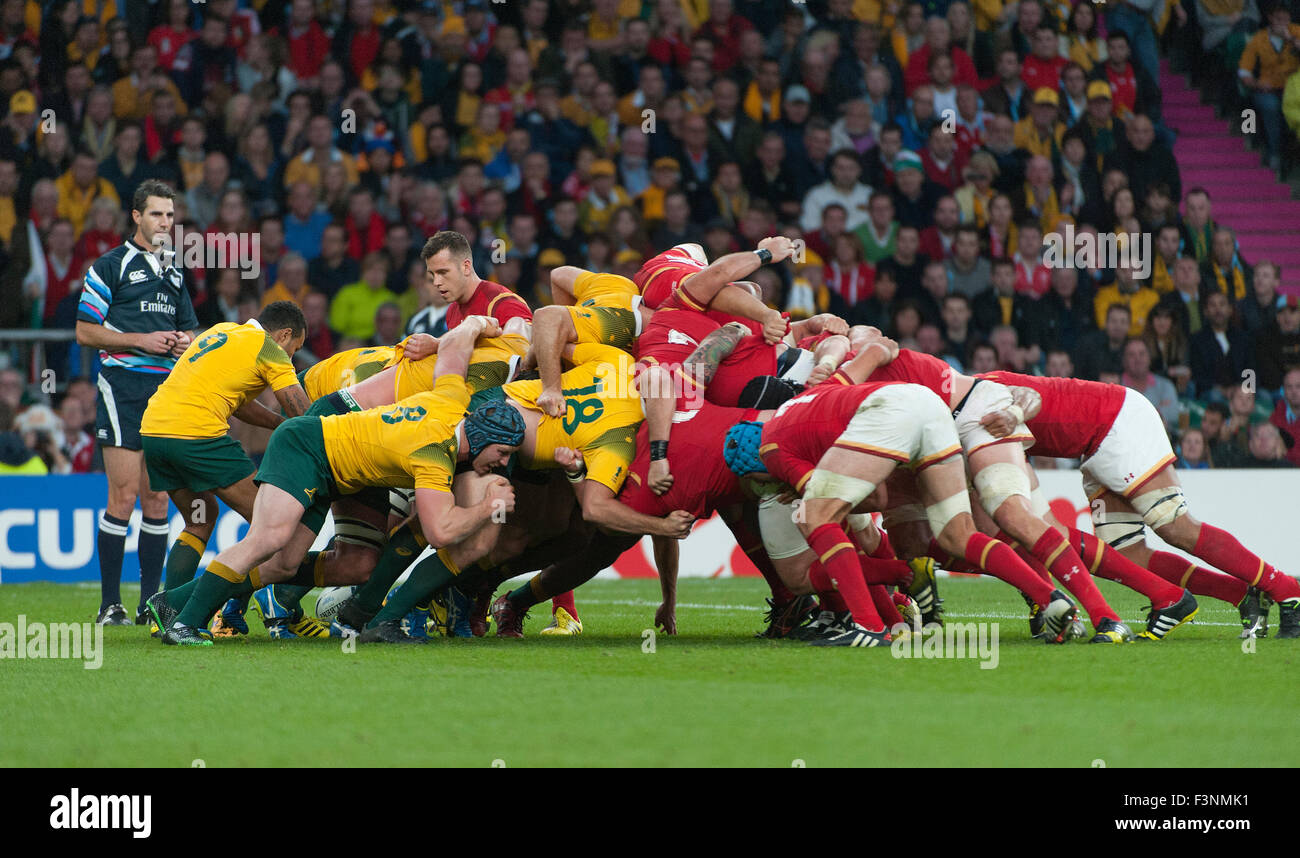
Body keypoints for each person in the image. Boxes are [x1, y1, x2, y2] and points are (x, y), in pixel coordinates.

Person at [982, 371, 1300, 638]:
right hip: (1092, 444)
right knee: (1124, 555)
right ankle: (1240, 594)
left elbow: (1025, 398)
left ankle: (1287, 590)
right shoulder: (961, 402)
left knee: (1177, 527)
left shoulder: (978, 393)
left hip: (1117, 422)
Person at [140, 303, 311, 636]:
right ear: (284, 335)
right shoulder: (270, 349)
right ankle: (225, 614)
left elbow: (241, 404)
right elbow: (300, 407)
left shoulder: (222, 331)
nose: (292, 357)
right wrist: (327, 433)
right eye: (296, 349)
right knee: (268, 526)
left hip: (154, 431)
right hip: (196, 435)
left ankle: (168, 616)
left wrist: (278, 424)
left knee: (200, 519)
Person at [75, 178, 199, 626]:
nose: (165, 222)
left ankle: (149, 604)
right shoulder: (109, 266)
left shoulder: (175, 270)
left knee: (158, 502)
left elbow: (194, 329)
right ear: (136, 216)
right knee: (122, 497)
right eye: (156, 214)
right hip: (123, 387)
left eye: (170, 214)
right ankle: (110, 605)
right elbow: (86, 330)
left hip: (166, 393)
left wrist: (187, 341)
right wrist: (141, 341)